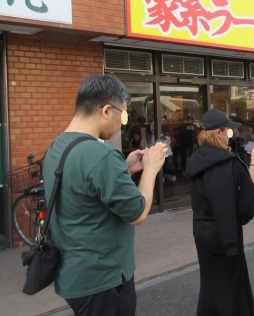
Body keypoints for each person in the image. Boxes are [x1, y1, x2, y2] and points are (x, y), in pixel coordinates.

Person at [42, 75, 168, 316]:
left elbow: (84, 187)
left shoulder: (57, 145)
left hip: (73, 274)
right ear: (108, 110)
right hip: (104, 279)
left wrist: (125, 168)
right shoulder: (101, 155)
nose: (123, 123)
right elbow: (137, 213)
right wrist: (150, 169)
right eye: (124, 115)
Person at [185, 109, 254, 316]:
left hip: (202, 230)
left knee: (210, 282)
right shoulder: (228, 163)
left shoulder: (196, 159)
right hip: (226, 233)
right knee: (231, 286)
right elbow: (248, 201)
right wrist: (253, 160)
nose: (230, 134)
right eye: (228, 130)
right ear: (218, 132)